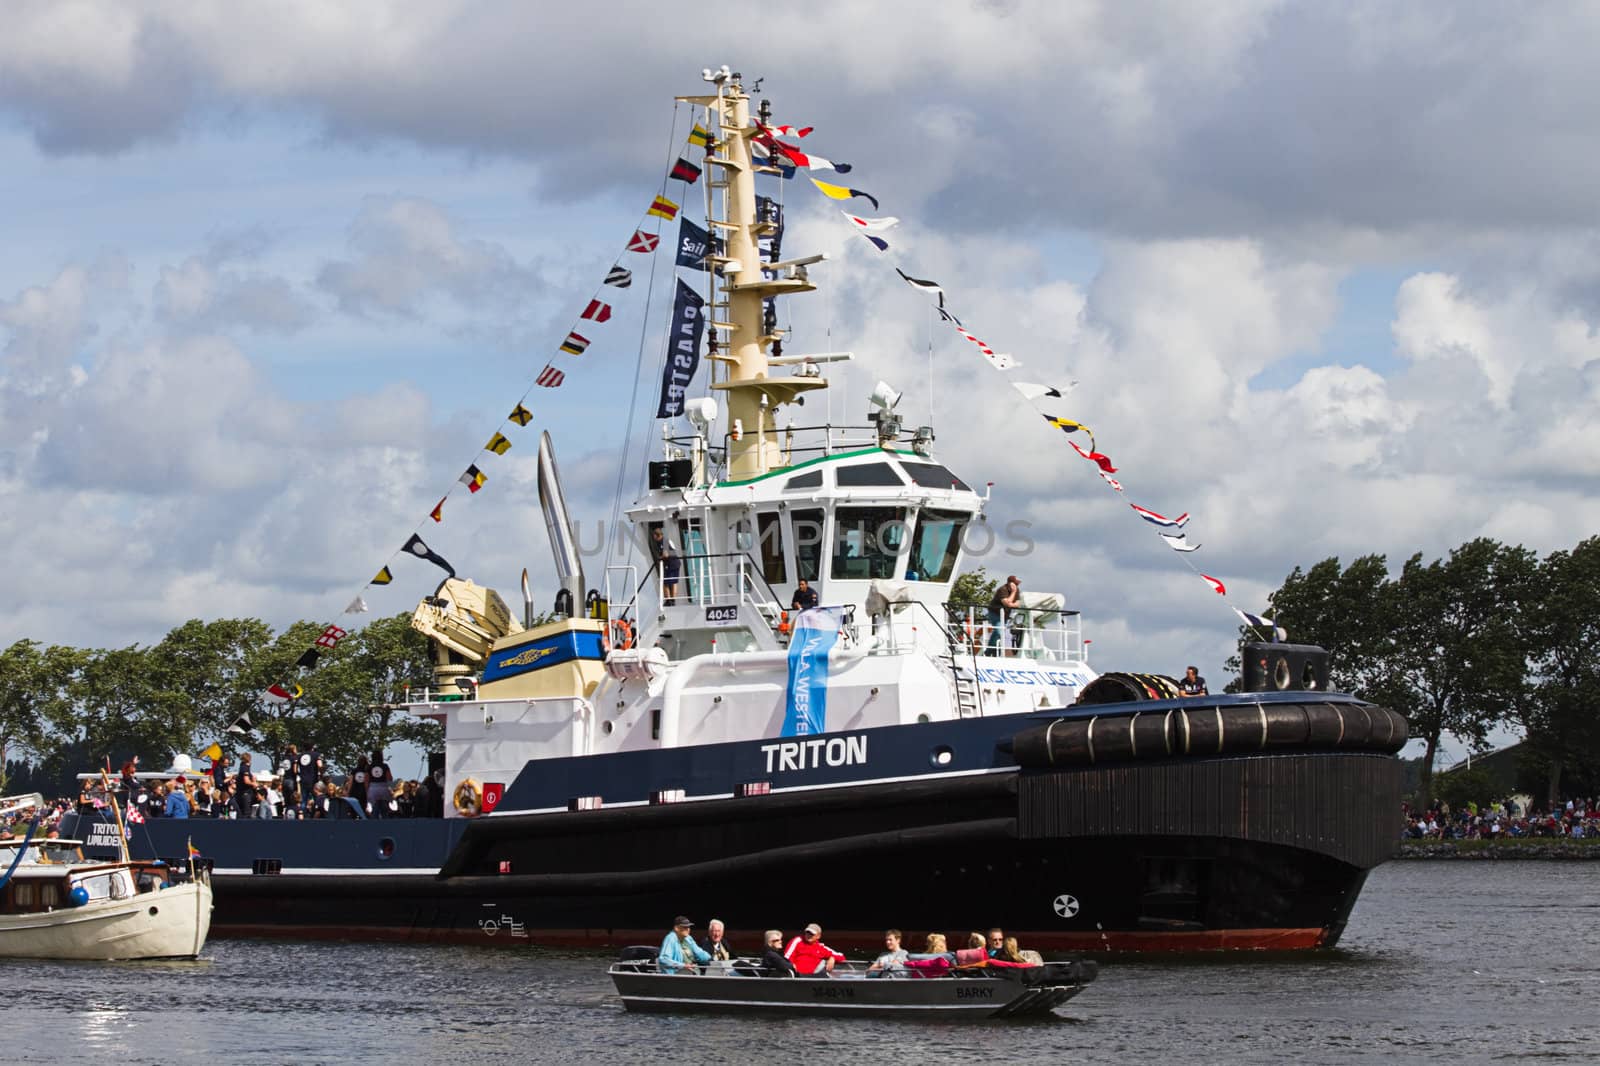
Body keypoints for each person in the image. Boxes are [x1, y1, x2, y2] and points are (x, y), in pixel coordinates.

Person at [985, 575, 1021, 655]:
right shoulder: (1002, 590)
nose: (1017, 585)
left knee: (999, 633)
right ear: (1010, 583)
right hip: (995, 613)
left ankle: (994, 653)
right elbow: (1006, 603)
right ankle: (988, 652)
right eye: (1015, 583)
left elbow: (1018, 603)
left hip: (1004, 615)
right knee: (998, 632)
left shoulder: (1017, 590)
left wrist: (1010, 604)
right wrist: (1013, 592)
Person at [651, 526, 682, 605]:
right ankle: (673, 600)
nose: (653, 538)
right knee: (674, 582)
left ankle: (668, 600)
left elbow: (666, 554)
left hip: (671, 564)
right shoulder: (667, 540)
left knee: (665, 582)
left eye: (654, 536)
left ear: (657, 535)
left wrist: (659, 558)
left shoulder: (663, 542)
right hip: (676, 563)